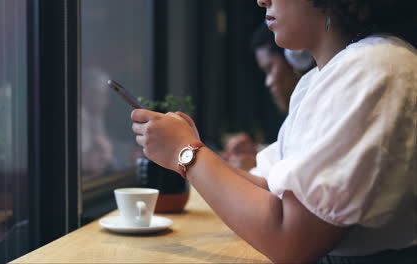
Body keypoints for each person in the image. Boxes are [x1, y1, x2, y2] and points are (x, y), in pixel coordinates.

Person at [131, 0, 417, 263]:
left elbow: (292, 242)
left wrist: (188, 155)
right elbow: (274, 189)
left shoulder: (373, 68)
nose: (262, 0)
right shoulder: (325, 76)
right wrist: (190, 148)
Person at [223, 23, 315, 171]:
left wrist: (257, 168)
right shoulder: (297, 115)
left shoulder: (315, 111)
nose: (268, 82)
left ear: (296, 59)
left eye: (270, 69)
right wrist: (256, 152)